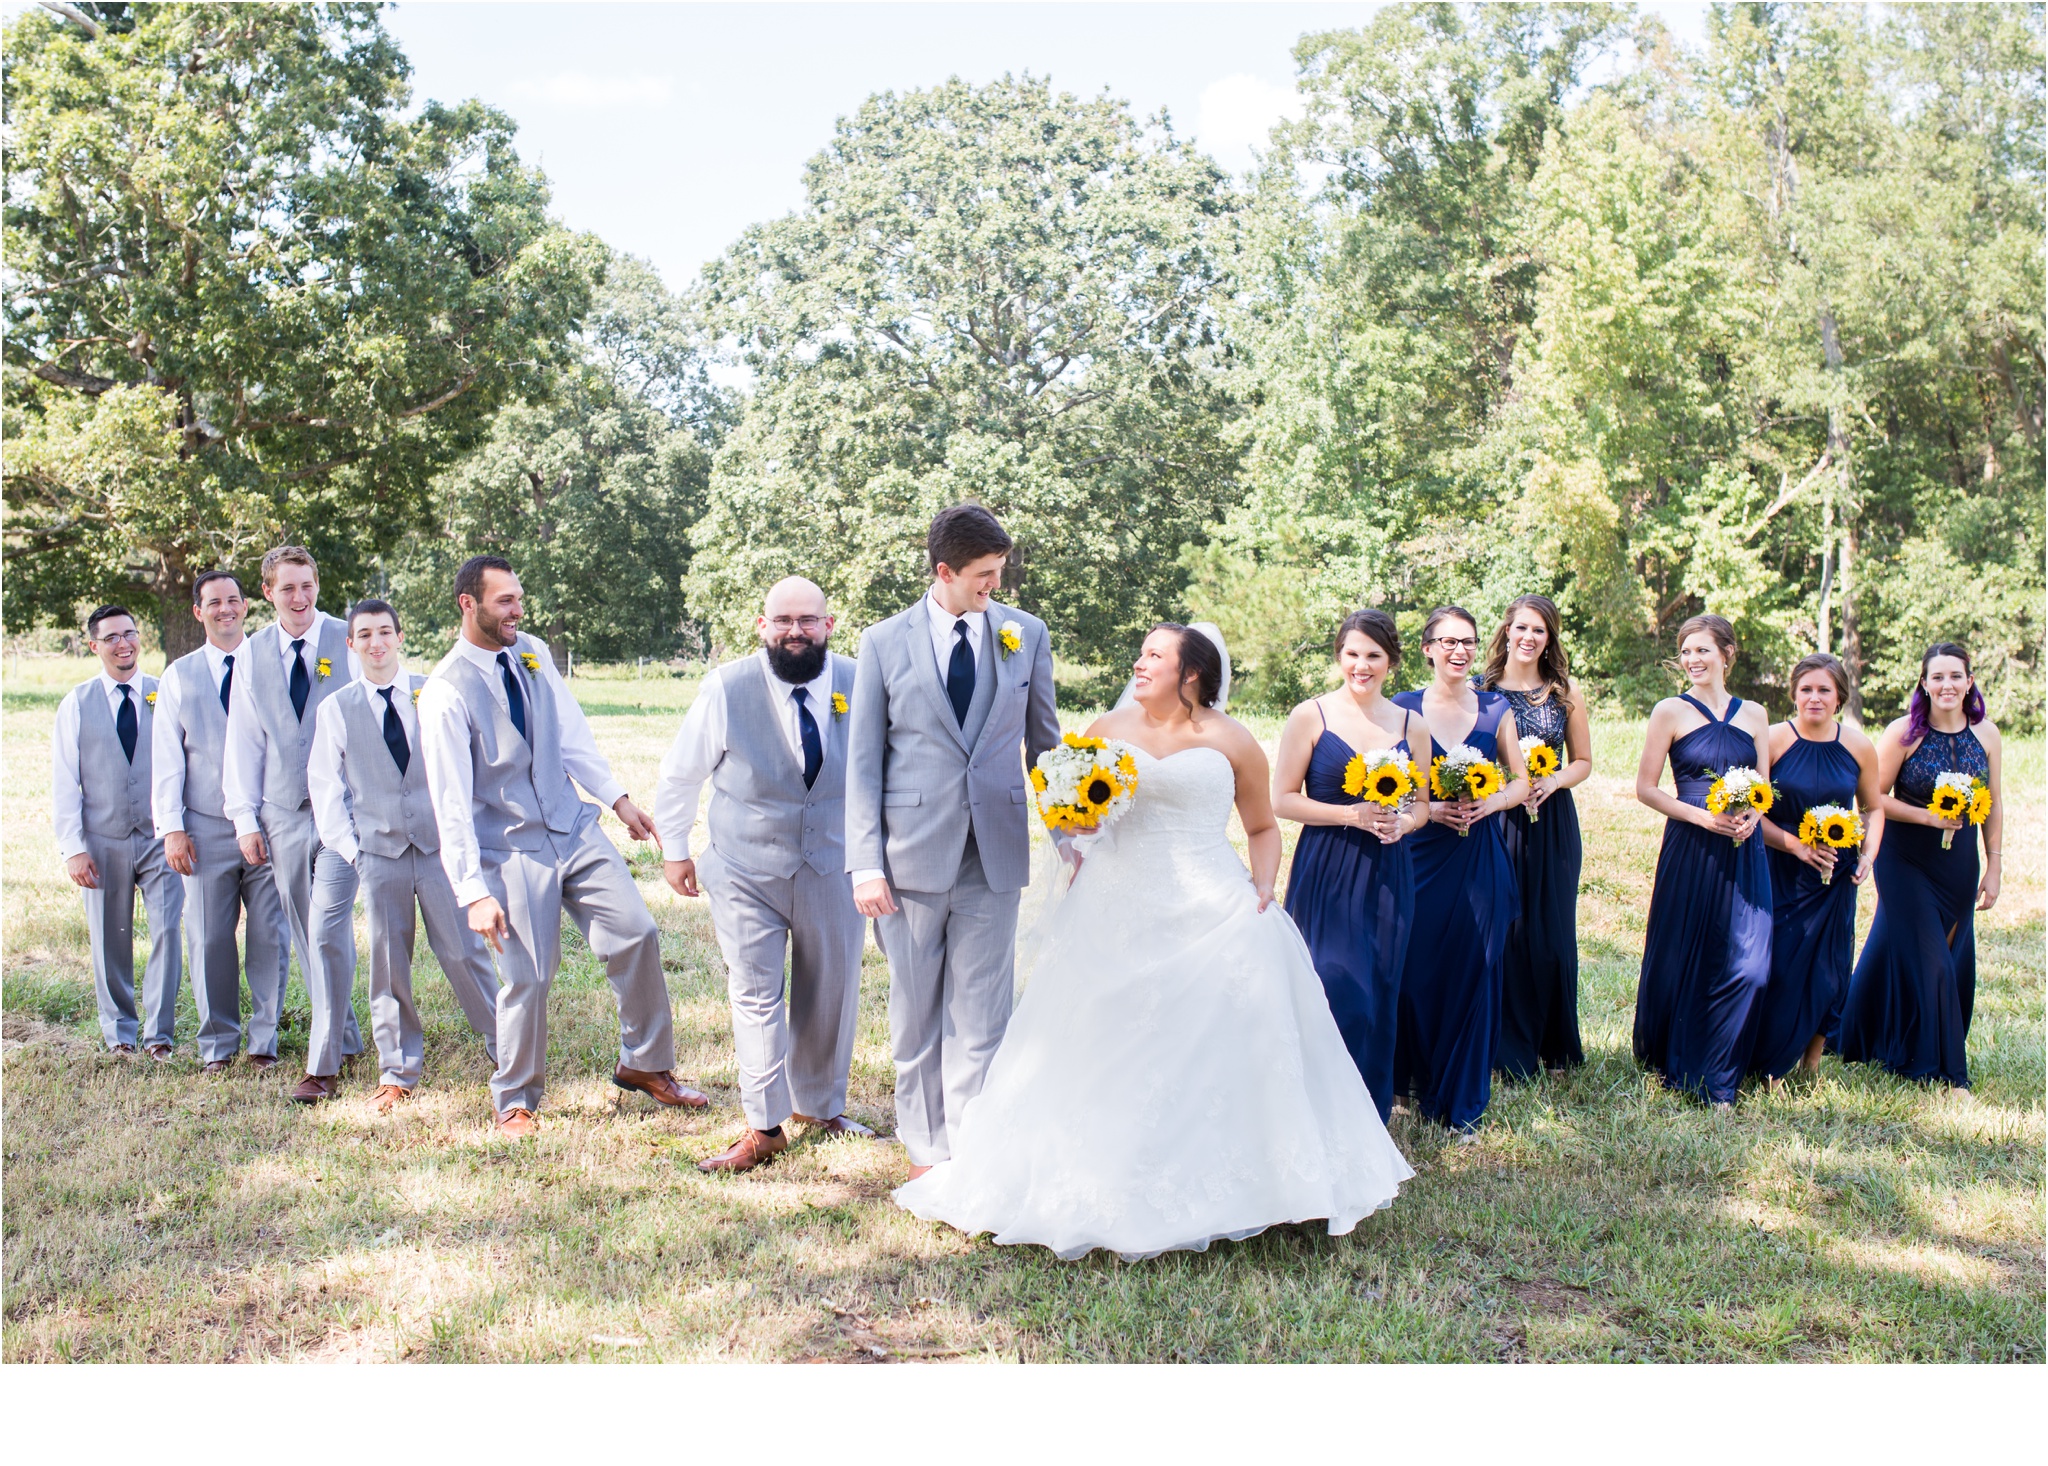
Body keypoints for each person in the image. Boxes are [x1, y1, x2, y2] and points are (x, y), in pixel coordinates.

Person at [894, 625, 1413, 1260]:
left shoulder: (1232, 741)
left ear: (1190, 674)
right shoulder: (1107, 731)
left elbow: (1260, 824)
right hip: (1114, 901)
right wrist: (1076, 823)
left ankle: (1244, 1184)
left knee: (1232, 1025)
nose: (1138, 664)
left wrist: (1262, 886)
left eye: (1153, 657)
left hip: (1210, 900)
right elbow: (1068, 809)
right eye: (1140, 654)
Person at [417, 555, 702, 1135]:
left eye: (519, 599)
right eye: (505, 602)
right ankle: (515, 1099)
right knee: (528, 975)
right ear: (468, 605)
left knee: (636, 932)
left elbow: (571, 735)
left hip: (574, 829)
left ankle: (645, 1065)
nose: (518, 611)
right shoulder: (445, 692)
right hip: (511, 848)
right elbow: (449, 803)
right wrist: (472, 892)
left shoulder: (534, 651)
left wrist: (619, 800)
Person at [845, 505, 1060, 1178]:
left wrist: (1069, 831)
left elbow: (1044, 745)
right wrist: (864, 865)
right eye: (984, 576)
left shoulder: (1027, 634)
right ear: (945, 572)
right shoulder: (881, 643)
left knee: (983, 1015)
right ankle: (924, 1150)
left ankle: (972, 1155)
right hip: (908, 859)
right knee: (915, 1014)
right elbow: (863, 763)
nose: (995, 587)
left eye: (999, 573)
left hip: (994, 855)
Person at [655, 577, 873, 1172]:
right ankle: (764, 1125)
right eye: (783, 621)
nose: (795, 631)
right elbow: (680, 776)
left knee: (830, 990)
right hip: (746, 867)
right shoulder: (726, 688)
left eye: (807, 620)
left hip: (834, 864)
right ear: (762, 626)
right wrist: (675, 852)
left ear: (829, 625)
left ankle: (821, 1106)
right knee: (755, 995)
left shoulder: (862, 682)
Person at [302, 599, 500, 1108]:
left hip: (437, 850)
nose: (376, 642)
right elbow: (325, 789)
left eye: (385, 632)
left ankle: (508, 1046)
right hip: (379, 854)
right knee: (388, 965)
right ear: (351, 644)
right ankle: (397, 1070)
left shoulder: (432, 694)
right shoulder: (337, 708)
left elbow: (466, 769)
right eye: (364, 634)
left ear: (399, 637)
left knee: (463, 951)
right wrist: (354, 853)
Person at [1272, 608, 1431, 1122]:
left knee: (1380, 992)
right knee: (1335, 986)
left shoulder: (1412, 725)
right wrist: (1351, 815)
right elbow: (1282, 800)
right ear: (1339, 655)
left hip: (1389, 871)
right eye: (1352, 654)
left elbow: (1422, 804)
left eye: (1373, 656)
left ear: (1392, 662)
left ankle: (1367, 1118)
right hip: (1327, 869)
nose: (1361, 666)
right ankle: (1314, 1114)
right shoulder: (1310, 716)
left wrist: (1403, 823)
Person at [223, 546, 365, 1076]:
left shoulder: (348, 638)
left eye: (307, 585)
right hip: (282, 811)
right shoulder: (252, 655)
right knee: (306, 932)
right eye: (287, 588)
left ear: (318, 584)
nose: (300, 597)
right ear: (267, 592)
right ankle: (345, 1039)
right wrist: (245, 819)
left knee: (330, 923)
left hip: (345, 809)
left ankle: (342, 1042)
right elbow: (244, 742)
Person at [1837, 642, 2003, 1089]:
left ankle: (1863, 1037)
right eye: (1937, 677)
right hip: (1904, 859)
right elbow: (1874, 800)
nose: (1946, 685)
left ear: (1969, 681)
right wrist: (1929, 816)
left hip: (1959, 863)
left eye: (1955, 676)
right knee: (1933, 964)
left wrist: (1995, 865)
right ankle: (1944, 1073)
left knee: (1919, 953)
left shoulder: (1986, 734)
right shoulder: (1903, 733)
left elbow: (1996, 803)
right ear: (1923, 684)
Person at [1391, 606, 1528, 1136]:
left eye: (1467, 642)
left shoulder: (1496, 708)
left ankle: (1464, 1103)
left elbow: (1518, 780)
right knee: (1417, 969)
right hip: (1421, 857)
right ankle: (1412, 1079)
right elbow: (1393, 781)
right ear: (1427, 649)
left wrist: (1491, 803)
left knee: (1476, 970)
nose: (1458, 651)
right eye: (1447, 642)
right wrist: (1426, 808)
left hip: (1479, 857)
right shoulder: (1403, 709)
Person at [1632, 614, 1773, 1107]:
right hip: (1692, 845)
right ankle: (1695, 1068)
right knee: (1688, 952)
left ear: (1727, 654)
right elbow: (1645, 789)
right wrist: (1700, 817)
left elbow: (1763, 786)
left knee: (1750, 964)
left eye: (1703, 650)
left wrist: (1754, 814)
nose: (1692, 660)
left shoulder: (1755, 714)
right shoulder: (1670, 711)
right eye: (1686, 651)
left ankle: (1727, 1057)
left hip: (1743, 848)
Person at [153, 571, 292, 1071]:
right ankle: (217, 1043)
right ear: (198, 611)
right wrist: (171, 827)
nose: (226, 609)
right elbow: (167, 758)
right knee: (209, 937)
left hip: (270, 821)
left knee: (269, 935)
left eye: (234, 599)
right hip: (206, 828)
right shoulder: (178, 676)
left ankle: (264, 1041)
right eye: (214, 602)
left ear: (247, 606)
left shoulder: (272, 662)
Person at [53, 605, 184, 1056]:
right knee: (110, 937)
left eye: (130, 633)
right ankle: (119, 1036)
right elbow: (65, 780)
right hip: (102, 837)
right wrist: (72, 847)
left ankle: (159, 1036)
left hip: (159, 835)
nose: (123, 643)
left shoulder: (163, 692)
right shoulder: (77, 703)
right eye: (111, 637)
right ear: (94, 646)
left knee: (168, 931)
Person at [1747, 653, 1884, 1083]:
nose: (1814, 698)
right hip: (1783, 867)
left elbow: (1874, 808)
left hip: (1836, 873)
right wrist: (1795, 846)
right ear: (1793, 693)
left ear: (1840, 696)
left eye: (1824, 689)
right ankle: (1770, 1061)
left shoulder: (1858, 745)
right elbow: (1754, 814)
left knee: (1831, 968)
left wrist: (1867, 856)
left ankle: (1812, 1062)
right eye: (1806, 689)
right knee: (1782, 965)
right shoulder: (1772, 740)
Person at [1478, 593, 1591, 1079]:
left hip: (1551, 823)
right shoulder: (1480, 691)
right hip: (1496, 818)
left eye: (1539, 630)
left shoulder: (1564, 693)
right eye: (1521, 627)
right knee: (1503, 930)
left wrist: (1553, 780)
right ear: (1506, 631)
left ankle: (1556, 1047)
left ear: (1550, 638)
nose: (1528, 637)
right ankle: (1502, 1049)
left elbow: (1583, 762)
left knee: (1551, 936)